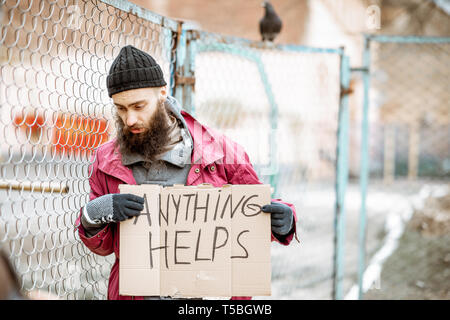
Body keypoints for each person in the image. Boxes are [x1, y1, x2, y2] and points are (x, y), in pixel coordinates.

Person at [75, 45, 298, 300]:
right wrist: (92, 215)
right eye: (121, 109)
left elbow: (251, 221)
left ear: (162, 94)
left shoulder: (223, 152)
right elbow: (102, 247)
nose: (130, 120)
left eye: (138, 106)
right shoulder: (107, 160)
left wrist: (284, 221)